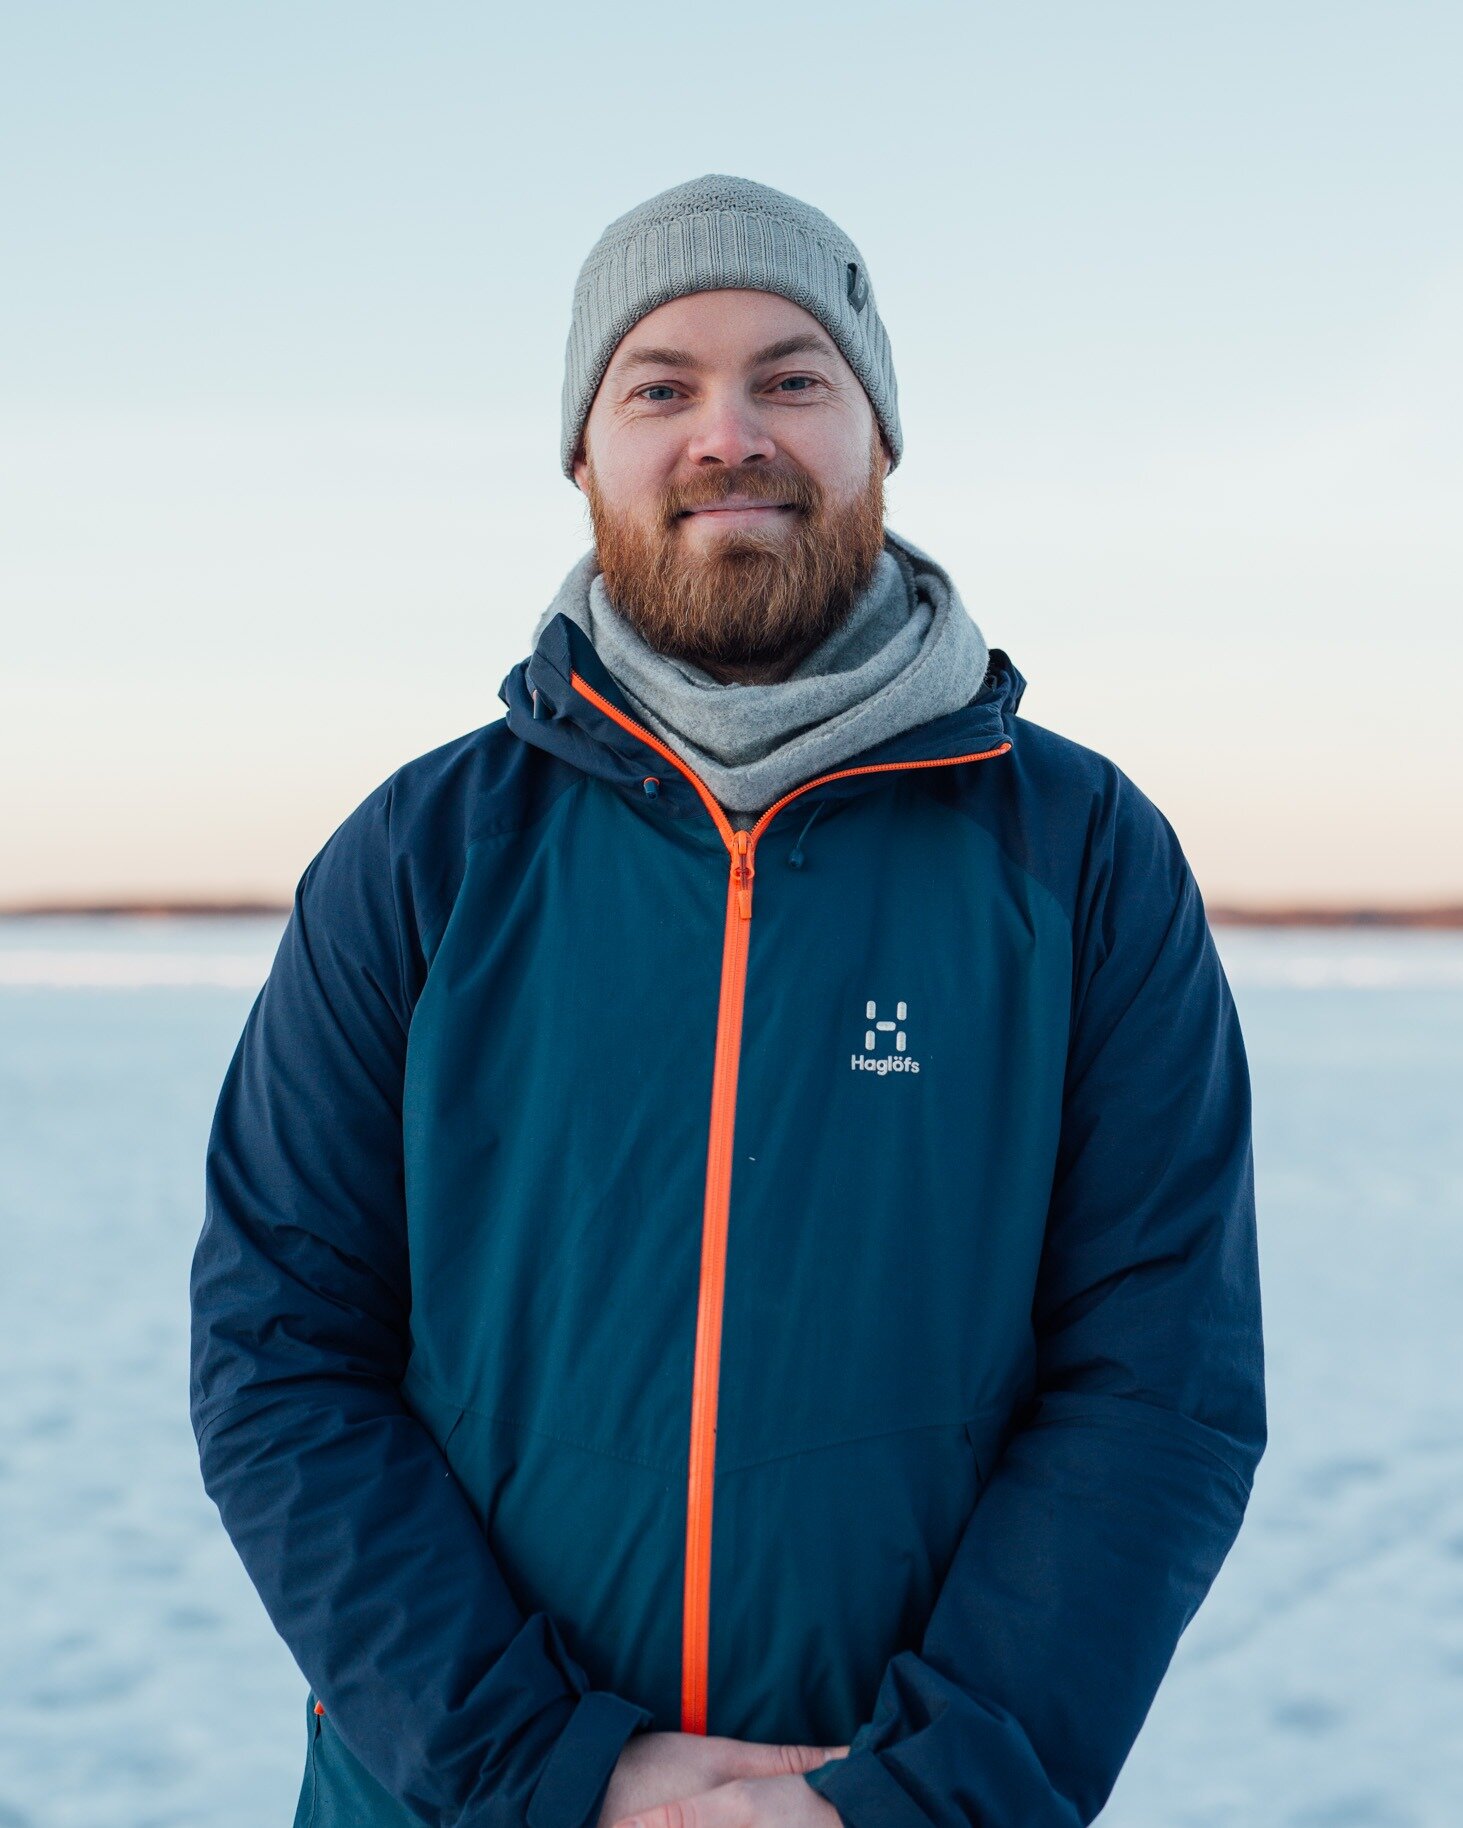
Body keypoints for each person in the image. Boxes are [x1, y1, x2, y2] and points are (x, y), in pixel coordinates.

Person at [190, 173, 1266, 1828]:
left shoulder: (1082, 857)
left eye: (792, 376)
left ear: (877, 435)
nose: (728, 433)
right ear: (585, 453)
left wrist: (913, 1796)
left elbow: (1158, 1382)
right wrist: (550, 1771)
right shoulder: (421, 859)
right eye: (662, 386)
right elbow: (282, 1357)